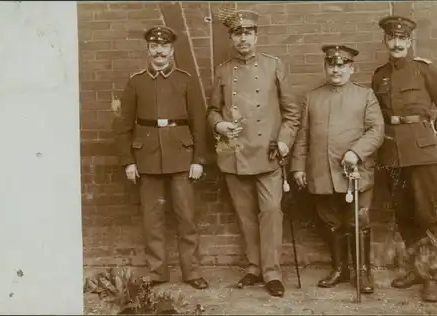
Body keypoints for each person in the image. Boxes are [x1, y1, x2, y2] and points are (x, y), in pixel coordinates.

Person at [207, 10, 300, 297]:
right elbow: (212, 110)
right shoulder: (223, 70)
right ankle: (253, 267)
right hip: (234, 152)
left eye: (248, 32)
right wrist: (219, 124)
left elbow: (291, 113)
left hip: (268, 154)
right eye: (238, 33)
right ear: (232, 38)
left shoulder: (274, 66)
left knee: (271, 211)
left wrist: (284, 141)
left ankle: (272, 272)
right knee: (245, 215)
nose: (243, 38)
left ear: (256, 36)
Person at [372, 16, 437, 302]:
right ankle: (416, 269)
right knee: (403, 214)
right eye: (391, 38)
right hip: (391, 154)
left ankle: (431, 275)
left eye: (402, 39)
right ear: (385, 41)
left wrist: (432, 141)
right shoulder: (379, 76)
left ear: (410, 41)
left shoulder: (425, 71)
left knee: (425, 214)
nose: (396, 43)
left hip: (421, 154)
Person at [113, 25, 209, 290]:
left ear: (171, 50)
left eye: (164, 47)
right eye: (154, 47)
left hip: (182, 156)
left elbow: (199, 124)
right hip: (147, 160)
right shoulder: (136, 82)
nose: (159, 51)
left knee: (186, 217)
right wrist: (128, 161)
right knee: (152, 219)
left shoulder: (186, 80)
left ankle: (192, 271)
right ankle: (157, 272)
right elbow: (123, 126)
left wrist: (198, 160)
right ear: (148, 50)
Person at [291, 45, 385, 294]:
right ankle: (340, 269)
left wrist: (357, 152)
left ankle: (363, 273)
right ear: (325, 67)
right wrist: (298, 166)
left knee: (358, 222)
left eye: (341, 65)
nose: (336, 69)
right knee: (330, 222)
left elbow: (377, 131)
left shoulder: (365, 96)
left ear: (351, 68)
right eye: (331, 65)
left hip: (355, 172)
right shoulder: (313, 97)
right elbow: (303, 136)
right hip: (321, 171)